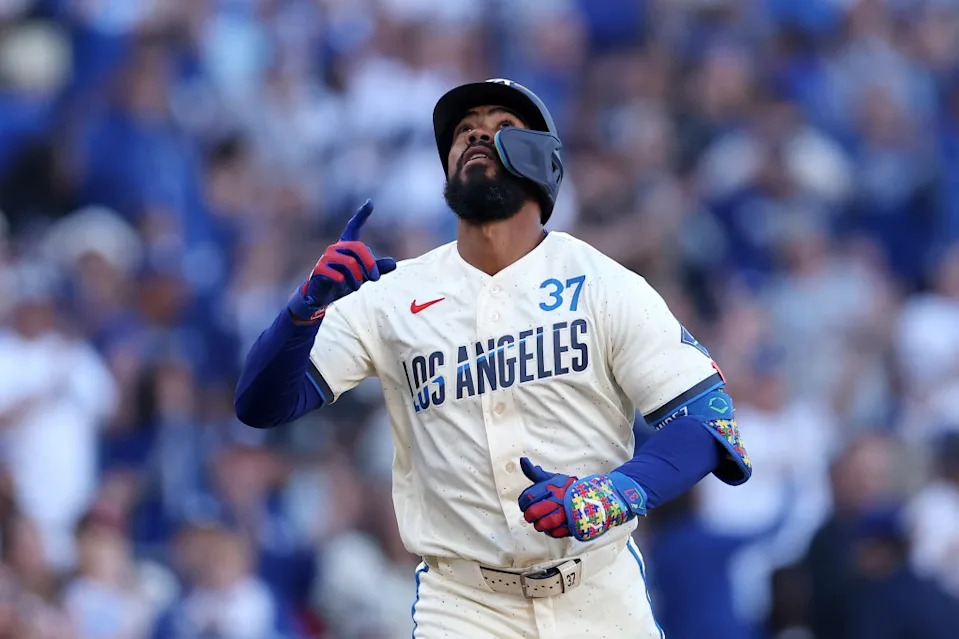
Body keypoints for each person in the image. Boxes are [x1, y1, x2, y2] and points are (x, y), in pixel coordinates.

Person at [234, 78, 752, 638]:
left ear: (545, 162)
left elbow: (709, 423)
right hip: (463, 604)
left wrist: (613, 492)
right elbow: (262, 406)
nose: (477, 133)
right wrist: (301, 315)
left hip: (600, 596)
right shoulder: (390, 295)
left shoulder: (603, 283)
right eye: (463, 130)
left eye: (503, 127)